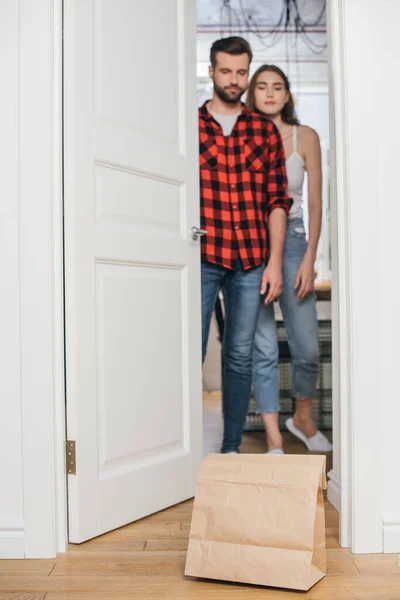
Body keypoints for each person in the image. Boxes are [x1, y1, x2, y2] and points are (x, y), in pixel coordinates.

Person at [200, 39, 292, 454]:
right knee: (189, 351)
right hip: (202, 257)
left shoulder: (263, 130)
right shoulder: (191, 126)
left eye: (241, 73)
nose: (234, 81)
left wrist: (274, 263)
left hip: (252, 259)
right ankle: (173, 458)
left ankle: (230, 448)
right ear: (212, 71)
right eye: (226, 72)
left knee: (239, 356)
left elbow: (277, 201)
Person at [246, 64, 332, 453]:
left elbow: (315, 203)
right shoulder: (243, 137)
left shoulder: (306, 137)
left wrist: (309, 256)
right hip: (251, 244)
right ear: (252, 93)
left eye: (277, 87)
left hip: (295, 241)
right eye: (261, 87)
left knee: (307, 346)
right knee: (260, 345)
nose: (269, 94)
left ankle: (302, 417)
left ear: (287, 94)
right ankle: (272, 436)